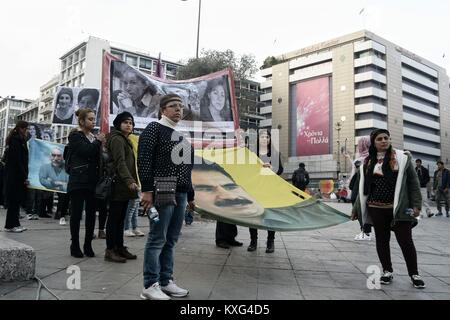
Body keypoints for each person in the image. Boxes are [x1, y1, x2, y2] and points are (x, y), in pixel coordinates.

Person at [351, 128, 426, 289]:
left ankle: (414, 274)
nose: (384, 141)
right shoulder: (367, 162)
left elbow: (413, 183)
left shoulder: (402, 158)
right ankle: (387, 271)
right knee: (382, 240)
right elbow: (361, 188)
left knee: (406, 241)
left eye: (386, 138)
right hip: (376, 208)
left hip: (399, 209)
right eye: (379, 139)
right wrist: (356, 208)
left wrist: (416, 205)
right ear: (374, 143)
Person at [138, 94, 195, 300]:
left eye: (181, 106)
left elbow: (187, 169)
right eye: (173, 106)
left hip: (180, 191)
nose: (178, 109)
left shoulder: (181, 135)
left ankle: (165, 281)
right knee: (157, 237)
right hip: (162, 186)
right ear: (163, 110)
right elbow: (144, 160)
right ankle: (150, 284)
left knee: (171, 239)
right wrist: (146, 190)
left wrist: (190, 195)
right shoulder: (154, 128)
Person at [66, 108, 105, 258]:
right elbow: (86, 151)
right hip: (78, 180)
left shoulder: (93, 137)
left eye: (94, 118)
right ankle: (74, 245)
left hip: (92, 181)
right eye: (90, 119)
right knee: (76, 214)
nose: (93, 121)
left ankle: (88, 244)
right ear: (82, 121)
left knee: (90, 215)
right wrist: (98, 141)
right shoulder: (75, 136)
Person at [105, 111, 139, 263]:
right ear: (119, 124)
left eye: (131, 122)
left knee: (120, 219)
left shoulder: (126, 140)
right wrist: (129, 180)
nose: (128, 125)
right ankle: (110, 250)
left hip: (124, 185)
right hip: (118, 184)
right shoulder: (117, 139)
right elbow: (120, 162)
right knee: (114, 218)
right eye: (125, 122)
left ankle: (119, 247)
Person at [247, 129, 283, 253]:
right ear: (258, 139)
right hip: (255, 188)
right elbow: (247, 169)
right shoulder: (252, 153)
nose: (264, 139)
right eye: (262, 137)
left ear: (269, 139)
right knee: (254, 215)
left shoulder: (274, 153)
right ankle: (253, 241)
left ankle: (270, 241)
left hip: (270, 189)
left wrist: (272, 168)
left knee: (270, 215)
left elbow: (280, 170)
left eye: (267, 137)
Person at [3, 120, 29, 233]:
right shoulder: (16, 140)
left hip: (17, 176)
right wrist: (24, 175)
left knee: (16, 201)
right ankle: (10, 225)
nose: (27, 131)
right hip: (15, 176)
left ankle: (16, 224)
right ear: (22, 128)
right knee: (14, 201)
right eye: (26, 129)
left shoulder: (20, 139)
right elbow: (18, 161)